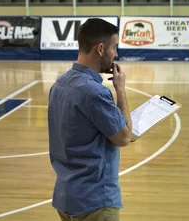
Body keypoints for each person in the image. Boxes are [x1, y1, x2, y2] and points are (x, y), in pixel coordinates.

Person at [48, 18, 133, 221]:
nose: (116, 54)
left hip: (66, 196)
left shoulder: (59, 85)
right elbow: (124, 138)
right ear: (101, 49)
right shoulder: (95, 93)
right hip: (95, 202)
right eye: (115, 47)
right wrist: (120, 90)